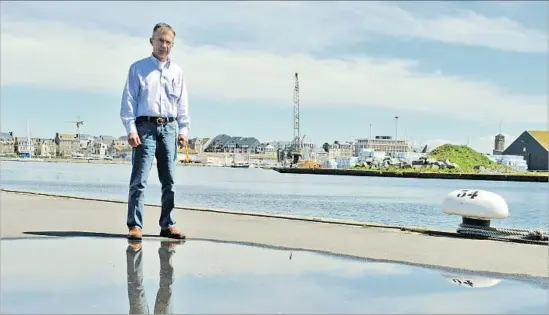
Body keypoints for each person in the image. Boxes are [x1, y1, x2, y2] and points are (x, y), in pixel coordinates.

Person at [120, 22, 189, 241]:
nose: (164, 45)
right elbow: (128, 101)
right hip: (145, 127)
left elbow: (182, 102)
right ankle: (135, 225)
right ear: (152, 41)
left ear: (172, 45)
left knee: (169, 180)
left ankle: (168, 224)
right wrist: (131, 129)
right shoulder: (138, 68)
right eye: (160, 40)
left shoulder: (177, 71)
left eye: (169, 42)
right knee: (139, 179)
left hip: (169, 127)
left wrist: (183, 129)